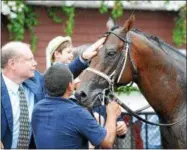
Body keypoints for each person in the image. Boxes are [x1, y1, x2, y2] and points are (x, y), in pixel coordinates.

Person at [1, 38, 104, 149]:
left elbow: (59, 77)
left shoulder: (35, 81)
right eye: (29, 59)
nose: (35, 63)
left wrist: (83, 58)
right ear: (12, 64)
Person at [31, 64, 122, 149]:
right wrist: (112, 115)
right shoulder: (76, 113)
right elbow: (107, 141)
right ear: (70, 86)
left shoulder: (37, 108)